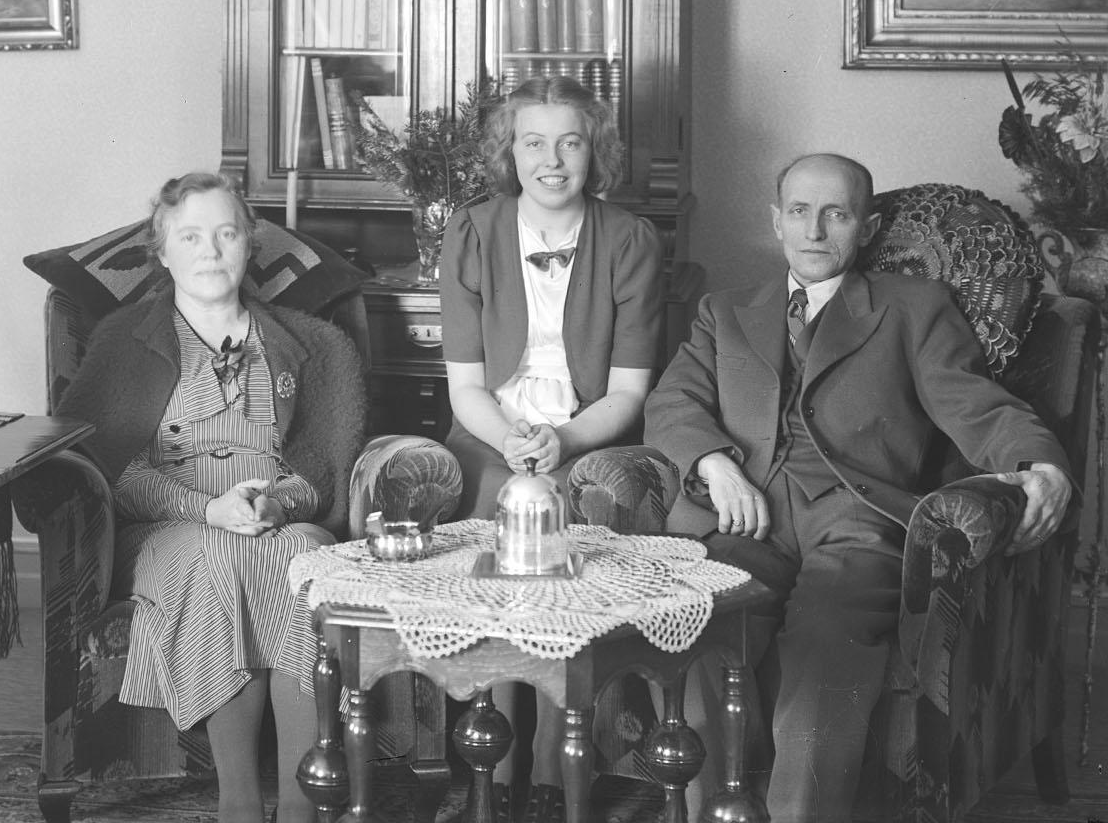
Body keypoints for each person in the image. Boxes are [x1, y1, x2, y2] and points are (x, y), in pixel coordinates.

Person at [646, 153, 1073, 823]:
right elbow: (673, 402)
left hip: (855, 523)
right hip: (741, 522)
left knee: (825, 648)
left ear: (867, 227)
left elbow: (973, 403)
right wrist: (715, 465)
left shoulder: (913, 308)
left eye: (836, 214)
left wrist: (1041, 464)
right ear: (776, 221)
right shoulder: (723, 311)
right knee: (692, 625)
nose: (814, 230)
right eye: (799, 212)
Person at [57, 172, 366, 823]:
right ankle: (240, 802)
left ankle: (303, 807)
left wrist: (279, 504)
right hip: (170, 529)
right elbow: (110, 467)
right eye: (191, 237)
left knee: (306, 564)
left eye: (227, 234)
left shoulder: (311, 345)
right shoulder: (122, 342)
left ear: (250, 245)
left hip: (279, 518)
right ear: (162, 251)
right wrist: (207, 510)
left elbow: (323, 464)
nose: (211, 251)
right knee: (217, 556)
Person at [440, 75, 666, 818]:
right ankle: (493, 763)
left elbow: (627, 393)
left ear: (593, 151)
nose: (552, 160)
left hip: (587, 433)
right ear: (509, 152)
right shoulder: (472, 232)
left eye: (570, 142)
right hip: (490, 433)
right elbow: (465, 388)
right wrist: (512, 440)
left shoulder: (630, 240)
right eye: (533, 143)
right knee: (495, 522)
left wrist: (561, 439)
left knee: (567, 534)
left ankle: (552, 766)